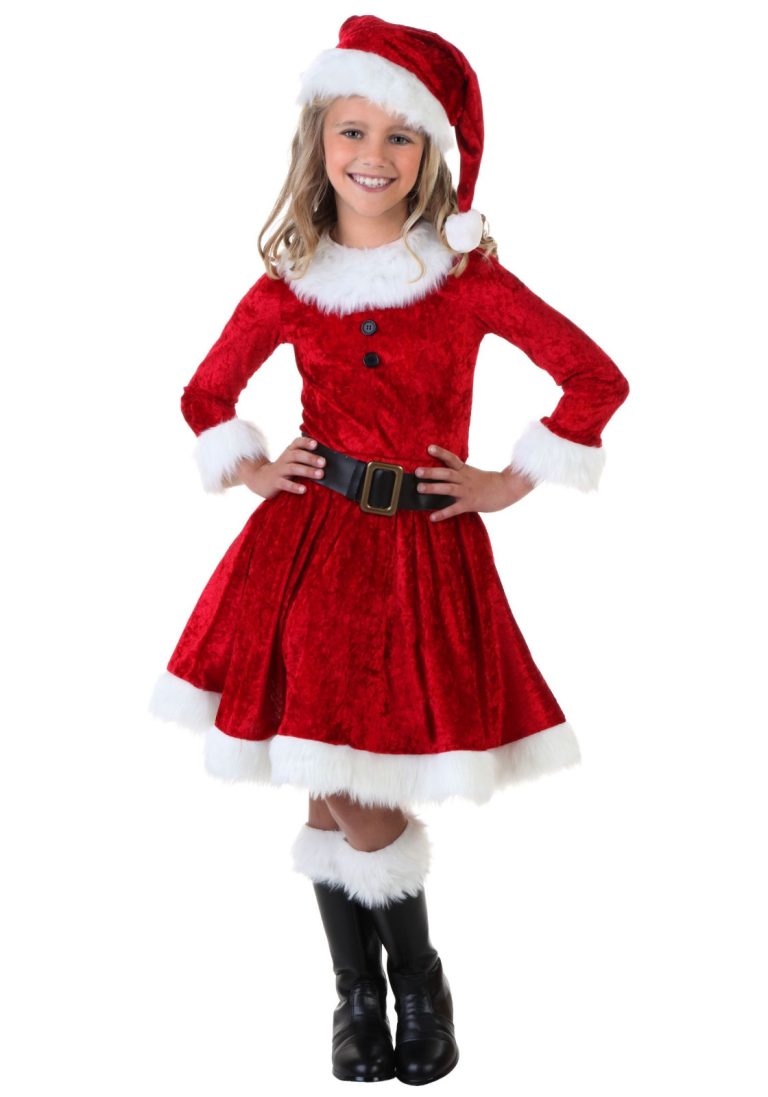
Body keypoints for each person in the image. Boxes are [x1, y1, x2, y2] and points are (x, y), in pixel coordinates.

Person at [148, 14, 630, 1087]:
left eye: (400, 136)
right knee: (327, 775)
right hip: (309, 552)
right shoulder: (292, 283)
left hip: (416, 555)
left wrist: (509, 478)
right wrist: (253, 466)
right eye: (352, 130)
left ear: (431, 155)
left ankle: (410, 983)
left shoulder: (466, 280)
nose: (373, 155)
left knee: (350, 781)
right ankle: (367, 993)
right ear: (318, 140)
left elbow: (595, 378)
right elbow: (205, 393)